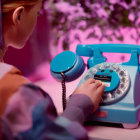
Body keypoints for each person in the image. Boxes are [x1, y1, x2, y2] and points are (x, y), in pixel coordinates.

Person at [0, 0, 105, 140]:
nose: (37, 19)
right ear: (18, 15)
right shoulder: (17, 93)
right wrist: (78, 106)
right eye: (37, 13)